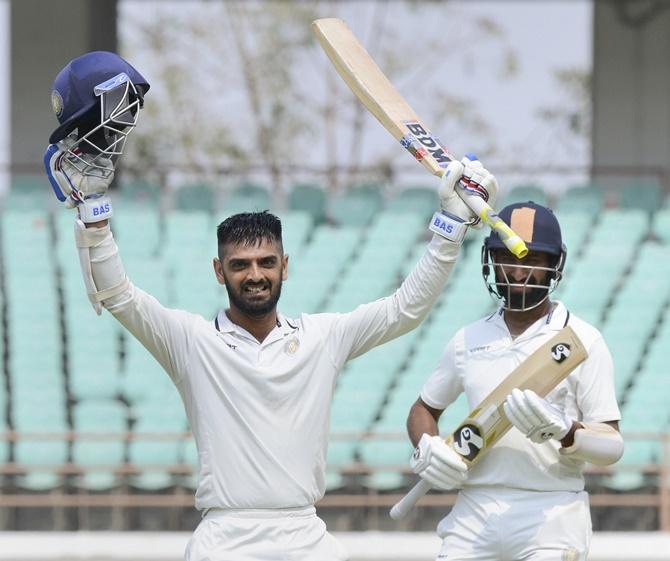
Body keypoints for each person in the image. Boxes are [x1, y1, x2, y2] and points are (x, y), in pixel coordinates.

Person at [43, 51, 499, 561]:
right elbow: (119, 296)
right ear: (220, 273)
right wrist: (92, 214)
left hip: (305, 536)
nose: (254, 275)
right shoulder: (191, 342)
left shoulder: (323, 338)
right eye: (240, 265)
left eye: (265, 263)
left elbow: (405, 310)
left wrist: (450, 229)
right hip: (224, 539)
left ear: (286, 266)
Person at [406, 201, 624, 561]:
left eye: (533, 260)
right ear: (491, 260)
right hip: (473, 510)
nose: (519, 273)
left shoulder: (582, 340)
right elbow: (423, 409)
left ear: (555, 265)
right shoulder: (468, 339)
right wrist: (426, 446)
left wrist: (566, 431)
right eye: (508, 258)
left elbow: (612, 446)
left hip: (551, 513)